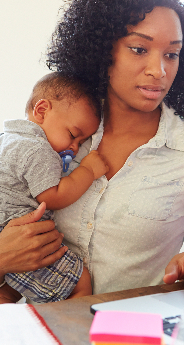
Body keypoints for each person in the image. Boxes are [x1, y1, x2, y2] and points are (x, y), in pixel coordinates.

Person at [0, 0, 184, 297]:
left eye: (172, 54)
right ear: (103, 50)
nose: (159, 70)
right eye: (139, 49)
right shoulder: (57, 132)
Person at [0, 72, 109, 303]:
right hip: (16, 233)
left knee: (13, 290)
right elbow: (53, 196)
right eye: (73, 135)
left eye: (81, 143)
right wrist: (87, 171)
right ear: (41, 111)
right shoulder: (38, 149)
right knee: (82, 282)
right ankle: (67, 332)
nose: (75, 148)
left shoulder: (7, 137)